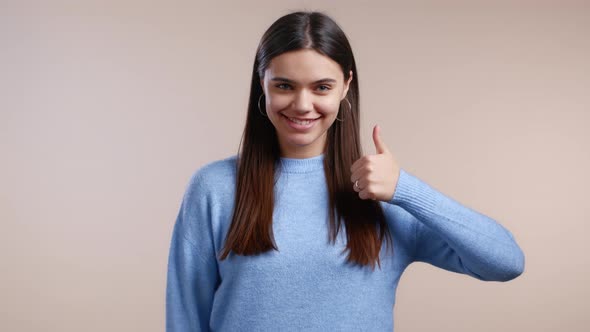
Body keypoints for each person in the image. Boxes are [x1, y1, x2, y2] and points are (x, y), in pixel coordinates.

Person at [165, 10, 525, 332]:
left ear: (346, 86)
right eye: (284, 86)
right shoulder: (215, 189)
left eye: (321, 87)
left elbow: (506, 262)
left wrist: (406, 189)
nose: (302, 105)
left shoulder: (383, 194)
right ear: (263, 83)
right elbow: (184, 318)